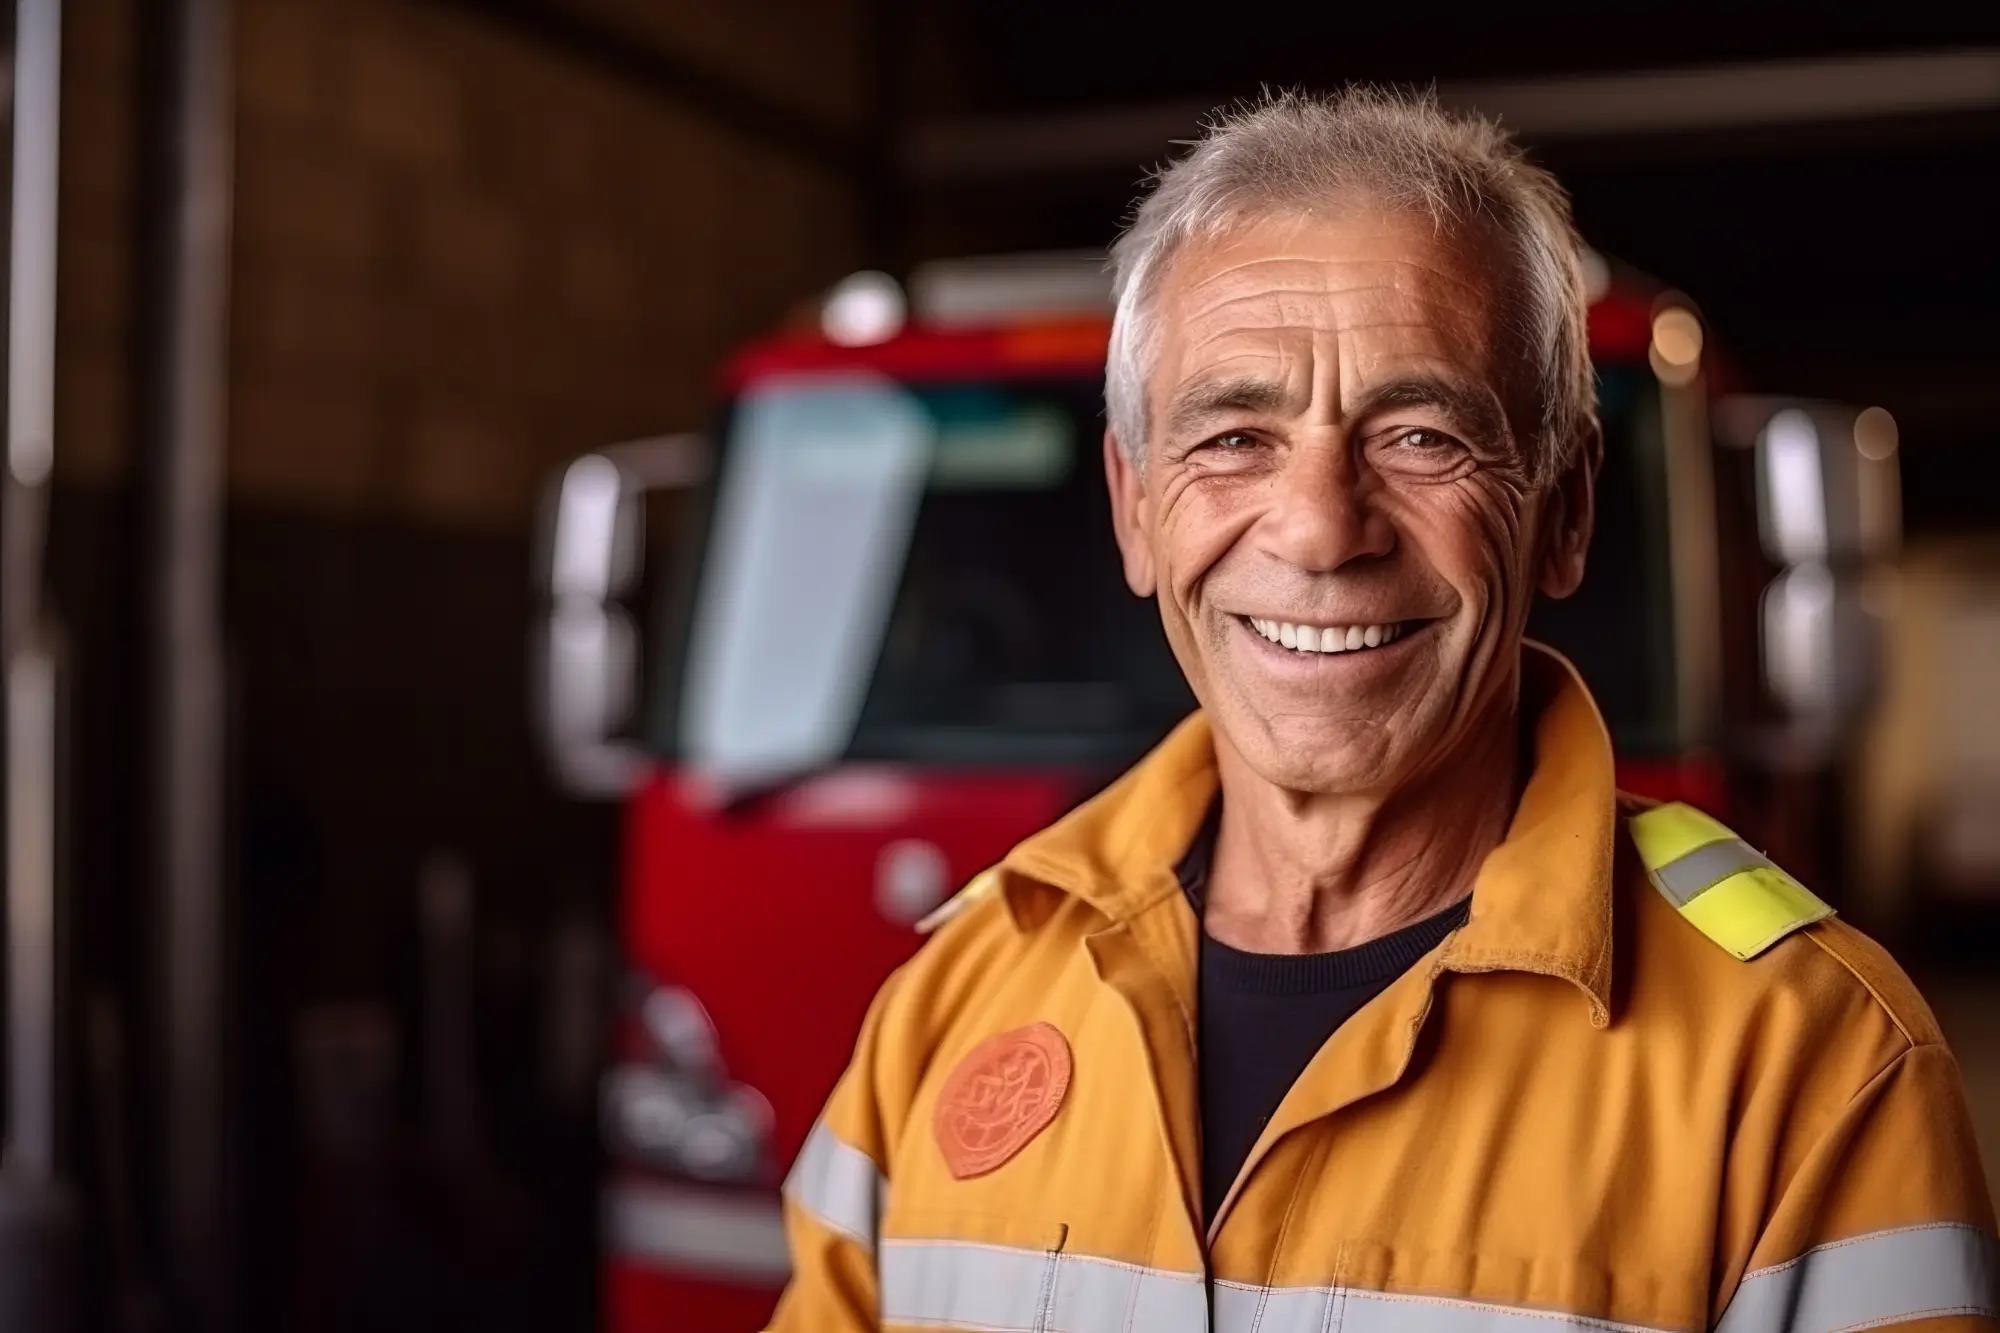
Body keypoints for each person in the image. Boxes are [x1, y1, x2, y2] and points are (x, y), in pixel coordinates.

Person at [767, 89, 1997, 1332]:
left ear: (1564, 511)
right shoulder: (951, 998)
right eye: (1234, 437)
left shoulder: (1816, 1067)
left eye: (1418, 436)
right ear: (1135, 507)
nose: (1317, 529)